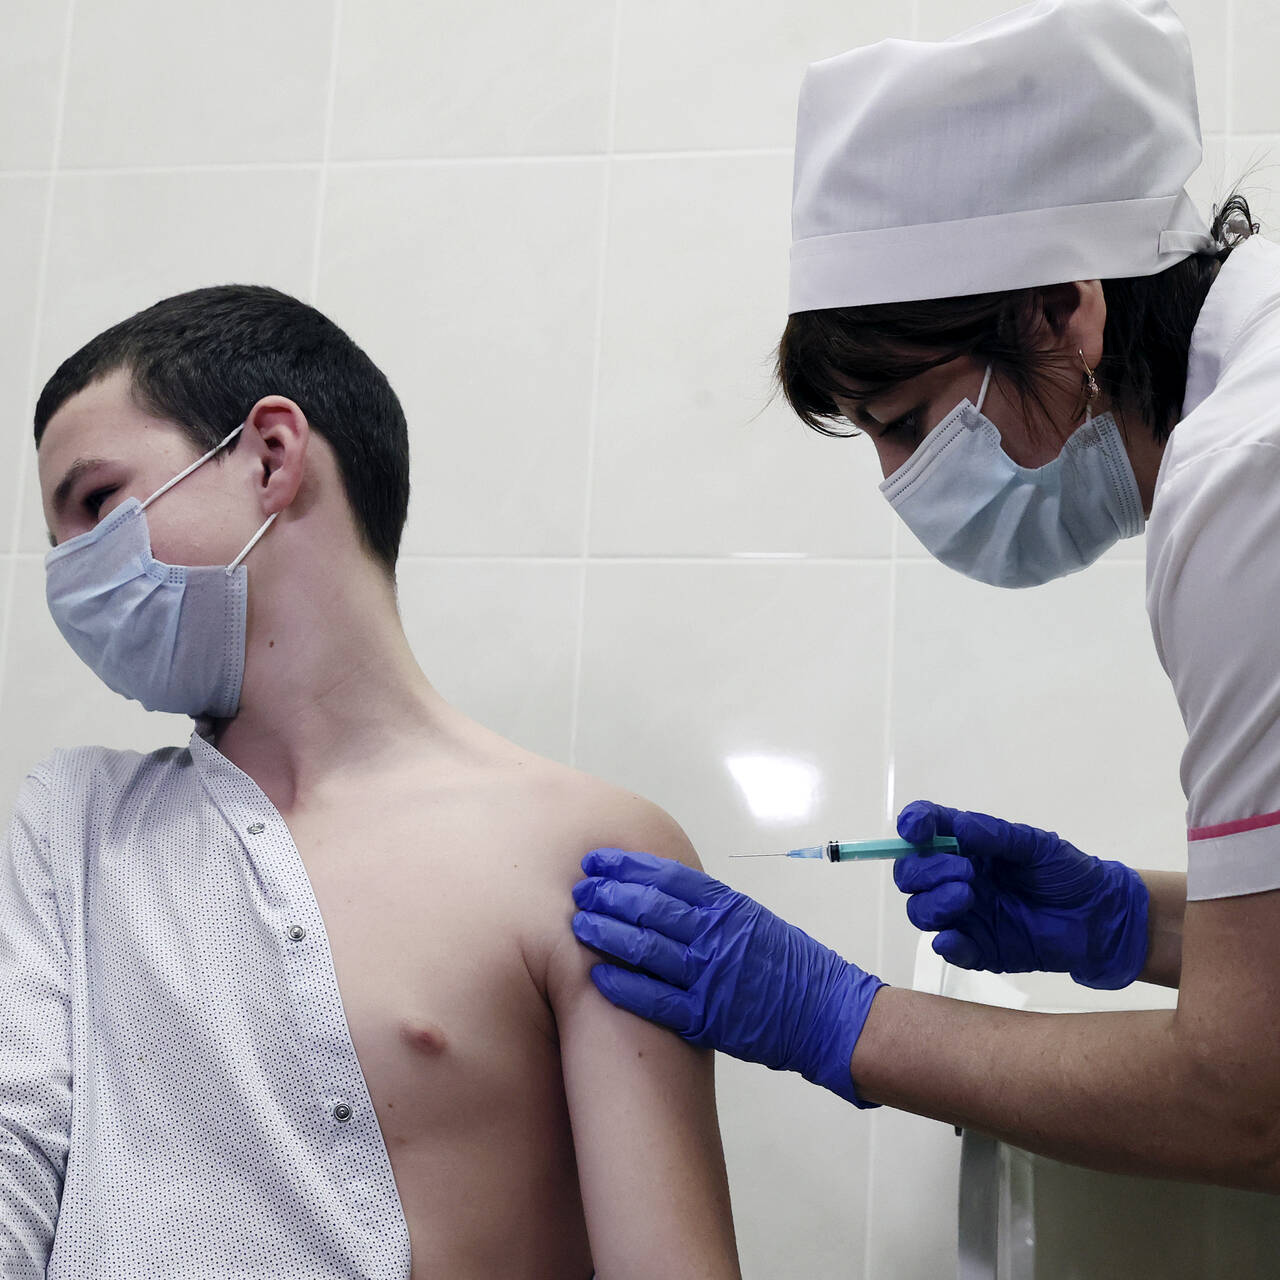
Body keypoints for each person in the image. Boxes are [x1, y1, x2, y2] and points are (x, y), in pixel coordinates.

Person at [570, 0, 1280, 1192]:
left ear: (1060, 308)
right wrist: (1129, 921)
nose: (901, 483)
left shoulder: (1245, 480)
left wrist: (842, 1018)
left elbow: (1248, 1100)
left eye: (905, 424)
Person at [4, 284, 741, 1279]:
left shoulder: (584, 854)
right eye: (63, 549)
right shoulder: (75, 828)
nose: (72, 579)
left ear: (271, 456)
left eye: (97, 504)